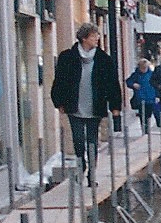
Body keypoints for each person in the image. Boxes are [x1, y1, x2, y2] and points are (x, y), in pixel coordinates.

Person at [48, 24, 120, 186]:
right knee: (78, 139)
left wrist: (115, 106)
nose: (97, 39)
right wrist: (58, 102)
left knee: (92, 141)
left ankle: (92, 175)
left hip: (95, 106)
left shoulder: (104, 59)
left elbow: (112, 84)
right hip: (74, 106)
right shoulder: (67, 57)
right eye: (94, 36)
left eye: (97, 36)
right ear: (84, 38)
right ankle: (82, 166)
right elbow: (59, 81)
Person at [126, 59, 159, 134]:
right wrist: (133, 84)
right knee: (143, 116)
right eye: (142, 68)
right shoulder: (136, 75)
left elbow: (157, 85)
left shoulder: (152, 74)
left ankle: (160, 125)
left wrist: (157, 96)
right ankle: (145, 131)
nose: (144, 69)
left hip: (152, 98)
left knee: (157, 112)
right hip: (141, 99)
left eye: (145, 68)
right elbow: (128, 81)